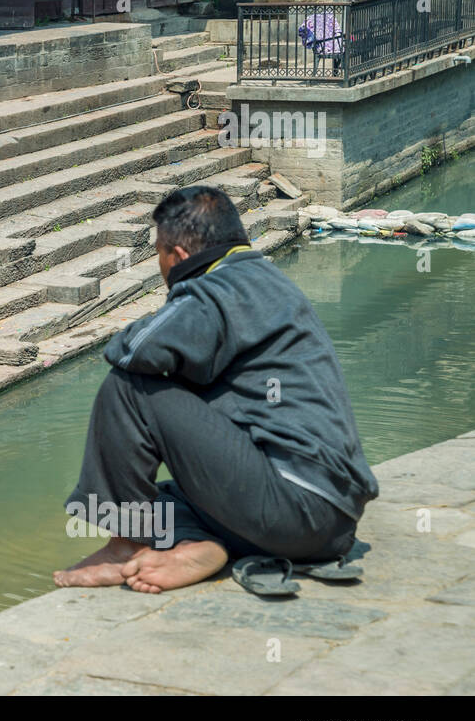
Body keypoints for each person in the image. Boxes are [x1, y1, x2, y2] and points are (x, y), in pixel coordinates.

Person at [53, 185, 379, 594]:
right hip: (331, 526)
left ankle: (125, 546)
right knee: (162, 499)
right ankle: (198, 544)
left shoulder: (219, 288)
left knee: (130, 388)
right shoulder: (265, 279)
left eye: (158, 252)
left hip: (290, 507)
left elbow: (134, 349)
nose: (159, 263)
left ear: (178, 256)